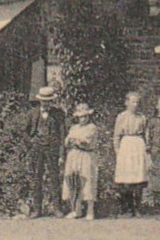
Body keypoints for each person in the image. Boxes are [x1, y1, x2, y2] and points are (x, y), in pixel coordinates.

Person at [19, 86, 67, 217]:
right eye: (44, 101)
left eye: (48, 101)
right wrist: (31, 143)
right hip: (37, 148)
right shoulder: (33, 113)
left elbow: (63, 135)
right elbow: (24, 131)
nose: (46, 103)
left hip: (53, 149)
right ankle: (37, 209)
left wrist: (62, 153)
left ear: (52, 101)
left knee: (54, 178)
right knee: (36, 178)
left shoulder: (58, 114)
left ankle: (57, 208)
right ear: (40, 101)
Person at [111, 91, 148, 217]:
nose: (135, 104)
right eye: (133, 101)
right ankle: (126, 207)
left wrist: (147, 150)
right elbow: (116, 136)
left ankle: (137, 207)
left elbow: (145, 134)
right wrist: (117, 152)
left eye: (137, 102)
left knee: (138, 178)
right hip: (126, 145)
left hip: (138, 144)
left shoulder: (142, 117)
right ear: (126, 103)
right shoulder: (121, 117)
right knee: (125, 179)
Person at [61, 102, 100, 221]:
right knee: (74, 180)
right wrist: (72, 140)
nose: (83, 119)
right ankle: (75, 209)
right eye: (81, 117)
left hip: (86, 155)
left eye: (85, 116)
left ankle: (90, 210)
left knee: (87, 180)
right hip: (74, 155)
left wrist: (75, 139)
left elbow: (85, 141)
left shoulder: (92, 127)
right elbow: (67, 141)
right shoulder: (74, 128)